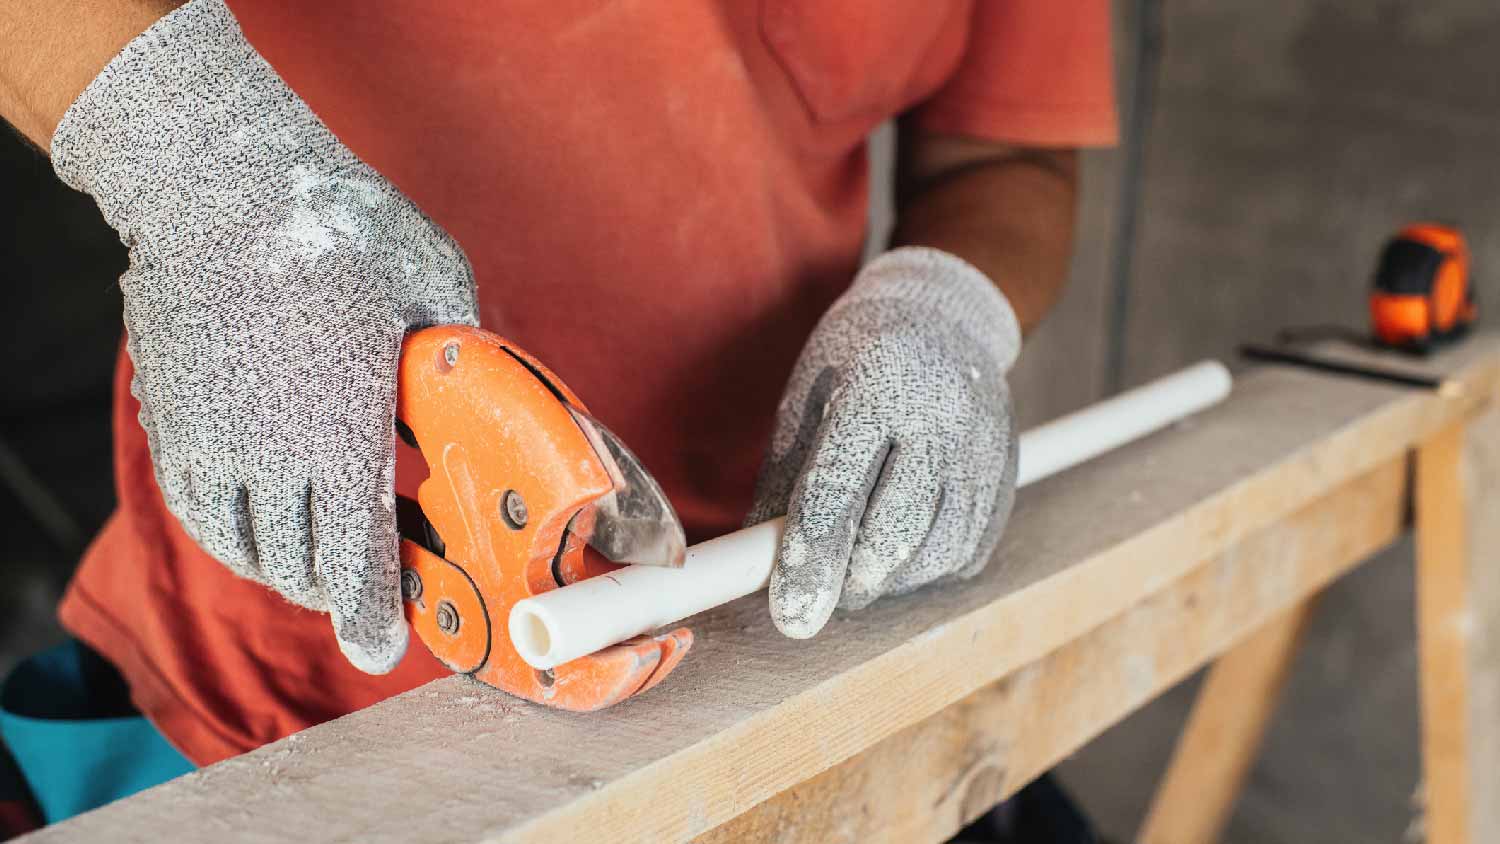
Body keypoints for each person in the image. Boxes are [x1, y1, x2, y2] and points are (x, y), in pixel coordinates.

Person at [0, 0, 1114, 827]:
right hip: (259, 708)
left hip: (754, 649)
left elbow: (1009, 153)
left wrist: (944, 307)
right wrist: (213, 184)